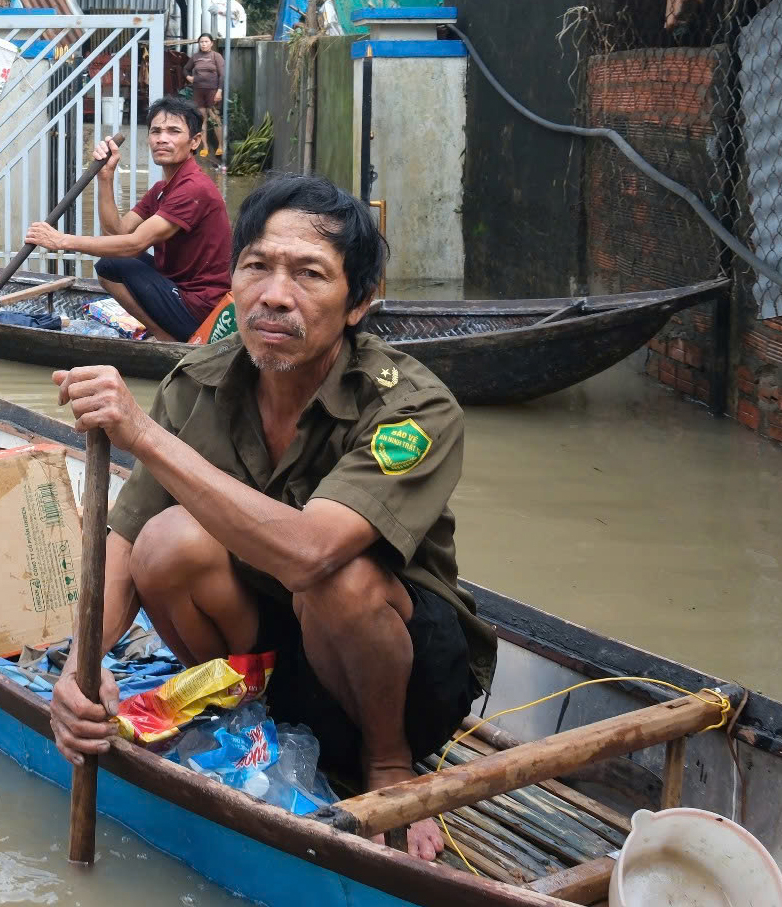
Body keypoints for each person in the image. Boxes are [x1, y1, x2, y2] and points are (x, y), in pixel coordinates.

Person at [46, 174, 497, 862]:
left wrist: (143, 435)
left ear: (359, 301)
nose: (275, 294)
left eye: (309, 273)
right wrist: (82, 670)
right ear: (232, 281)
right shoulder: (200, 381)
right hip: (282, 663)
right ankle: (250, 720)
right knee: (163, 544)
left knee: (338, 578)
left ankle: (386, 767)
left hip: (408, 682)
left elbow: (312, 553)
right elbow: (122, 538)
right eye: (257, 266)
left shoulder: (413, 406)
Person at [25, 97, 231, 342]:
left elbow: (134, 244)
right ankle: (166, 335)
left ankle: (169, 340)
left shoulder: (194, 188)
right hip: (177, 291)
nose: (162, 139)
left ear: (194, 141)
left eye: (174, 131)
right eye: (156, 131)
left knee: (114, 263)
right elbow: (117, 231)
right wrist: (105, 176)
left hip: (200, 308)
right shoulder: (163, 189)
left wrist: (61, 240)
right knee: (109, 264)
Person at [185, 33, 226, 156]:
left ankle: (220, 146)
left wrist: (219, 91)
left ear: (211, 43)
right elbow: (185, 69)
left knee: (215, 118)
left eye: (206, 41)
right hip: (198, 91)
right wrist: (189, 77)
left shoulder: (216, 56)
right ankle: (205, 147)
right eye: (201, 42)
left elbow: (222, 75)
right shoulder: (196, 57)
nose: (203, 44)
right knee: (202, 119)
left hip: (212, 91)